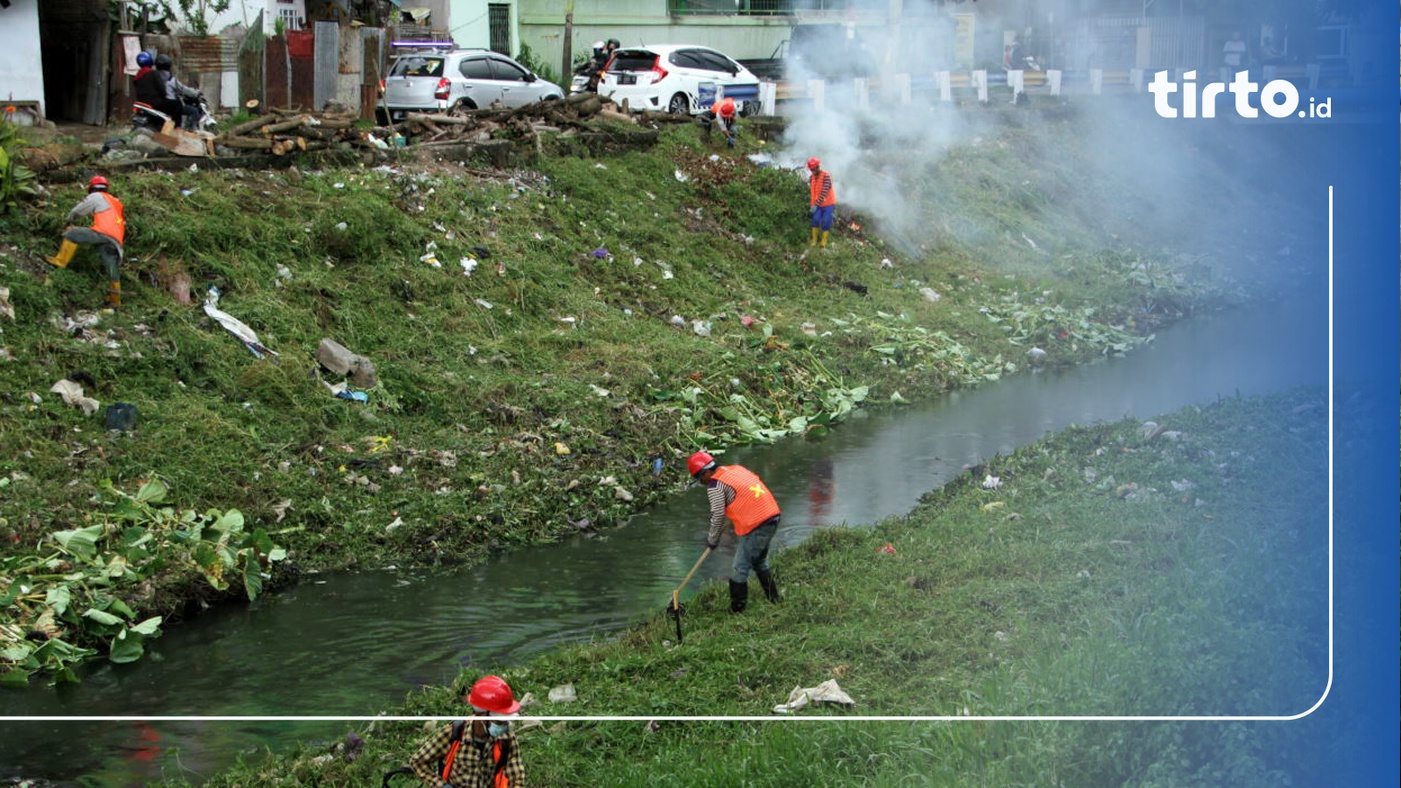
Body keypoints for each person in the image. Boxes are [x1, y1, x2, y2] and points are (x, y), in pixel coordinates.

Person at [688, 451, 781, 613]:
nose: (701, 483)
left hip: (756, 524)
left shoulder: (715, 486)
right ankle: (774, 599)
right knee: (759, 562)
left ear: (707, 472)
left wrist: (712, 540)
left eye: (700, 478)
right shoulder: (736, 469)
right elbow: (749, 489)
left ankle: (737, 610)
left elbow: (717, 515)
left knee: (739, 568)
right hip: (772, 515)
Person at [408, 675, 526, 787]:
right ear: (481, 716)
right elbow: (418, 762)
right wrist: (442, 785)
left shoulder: (507, 738)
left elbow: (517, 778)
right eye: (499, 722)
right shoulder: (453, 733)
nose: (504, 726)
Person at [45, 175, 126, 307]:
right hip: (116, 240)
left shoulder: (97, 196)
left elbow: (78, 210)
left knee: (72, 234)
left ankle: (60, 261)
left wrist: (68, 220)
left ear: (91, 188)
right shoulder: (116, 201)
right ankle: (115, 300)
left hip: (102, 233)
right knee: (111, 267)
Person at [155, 53, 201, 131]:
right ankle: (190, 130)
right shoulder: (171, 79)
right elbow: (183, 89)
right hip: (171, 106)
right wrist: (195, 92)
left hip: (159, 105)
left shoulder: (154, 77)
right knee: (194, 111)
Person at [806, 157, 836, 248]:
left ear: (817, 167)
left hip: (828, 205)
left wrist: (815, 204)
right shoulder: (812, 178)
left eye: (813, 169)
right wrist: (812, 204)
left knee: (826, 221)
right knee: (815, 220)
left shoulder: (826, 176)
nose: (811, 171)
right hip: (817, 205)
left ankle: (823, 241)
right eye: (811, 169)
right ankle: (814, 240)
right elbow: (812, 192)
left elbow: (824, 192)